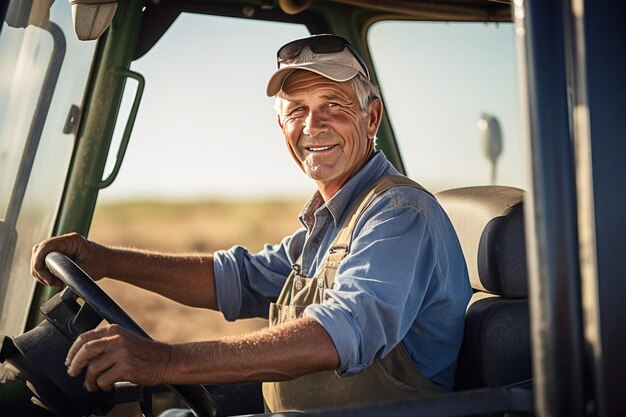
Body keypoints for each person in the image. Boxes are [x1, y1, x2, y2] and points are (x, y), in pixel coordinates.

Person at [30, 34, 471, 412]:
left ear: (370, 118)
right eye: (296, 110)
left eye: (332, 104)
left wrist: (163, 361)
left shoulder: (398, 214)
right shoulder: (329, 223)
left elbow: (339, 333)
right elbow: (235, 279)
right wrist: (103, 260)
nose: (312, 125)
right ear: (281, 126)